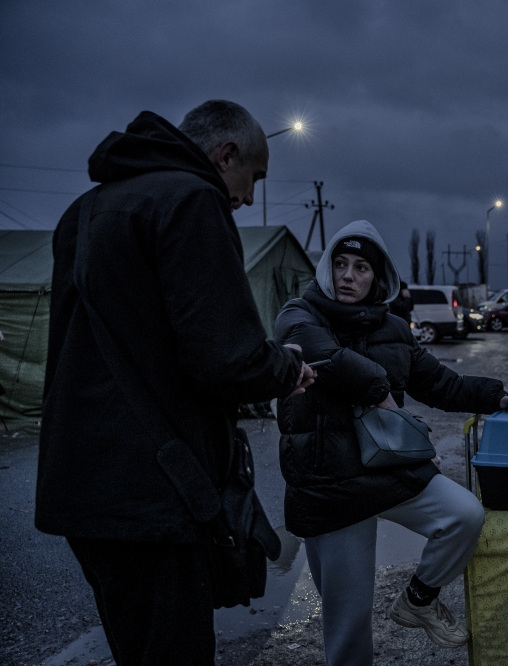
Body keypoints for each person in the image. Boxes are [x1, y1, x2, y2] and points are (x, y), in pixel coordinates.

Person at [35, 101, 315, 666]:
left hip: (83, 489)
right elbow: (226, 357)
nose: (248, 198)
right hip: (154, 493)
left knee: (136, 647)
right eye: (252, 177)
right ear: (225, 154)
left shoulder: (83, 212)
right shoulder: (192, 200)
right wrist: (288, 367)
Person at [274, 219, 508, 666]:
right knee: (350, 627)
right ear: (325, 269)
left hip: (388, 467)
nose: (348, 275)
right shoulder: (298, 315)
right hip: (332, 485)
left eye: (361, 268)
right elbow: (326, 356)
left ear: (378, 278)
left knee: (465, 514)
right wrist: (379, 389)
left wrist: (496, 395)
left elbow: (440, 384)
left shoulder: (393, 328)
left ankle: (419, 599)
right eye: (340, 264)